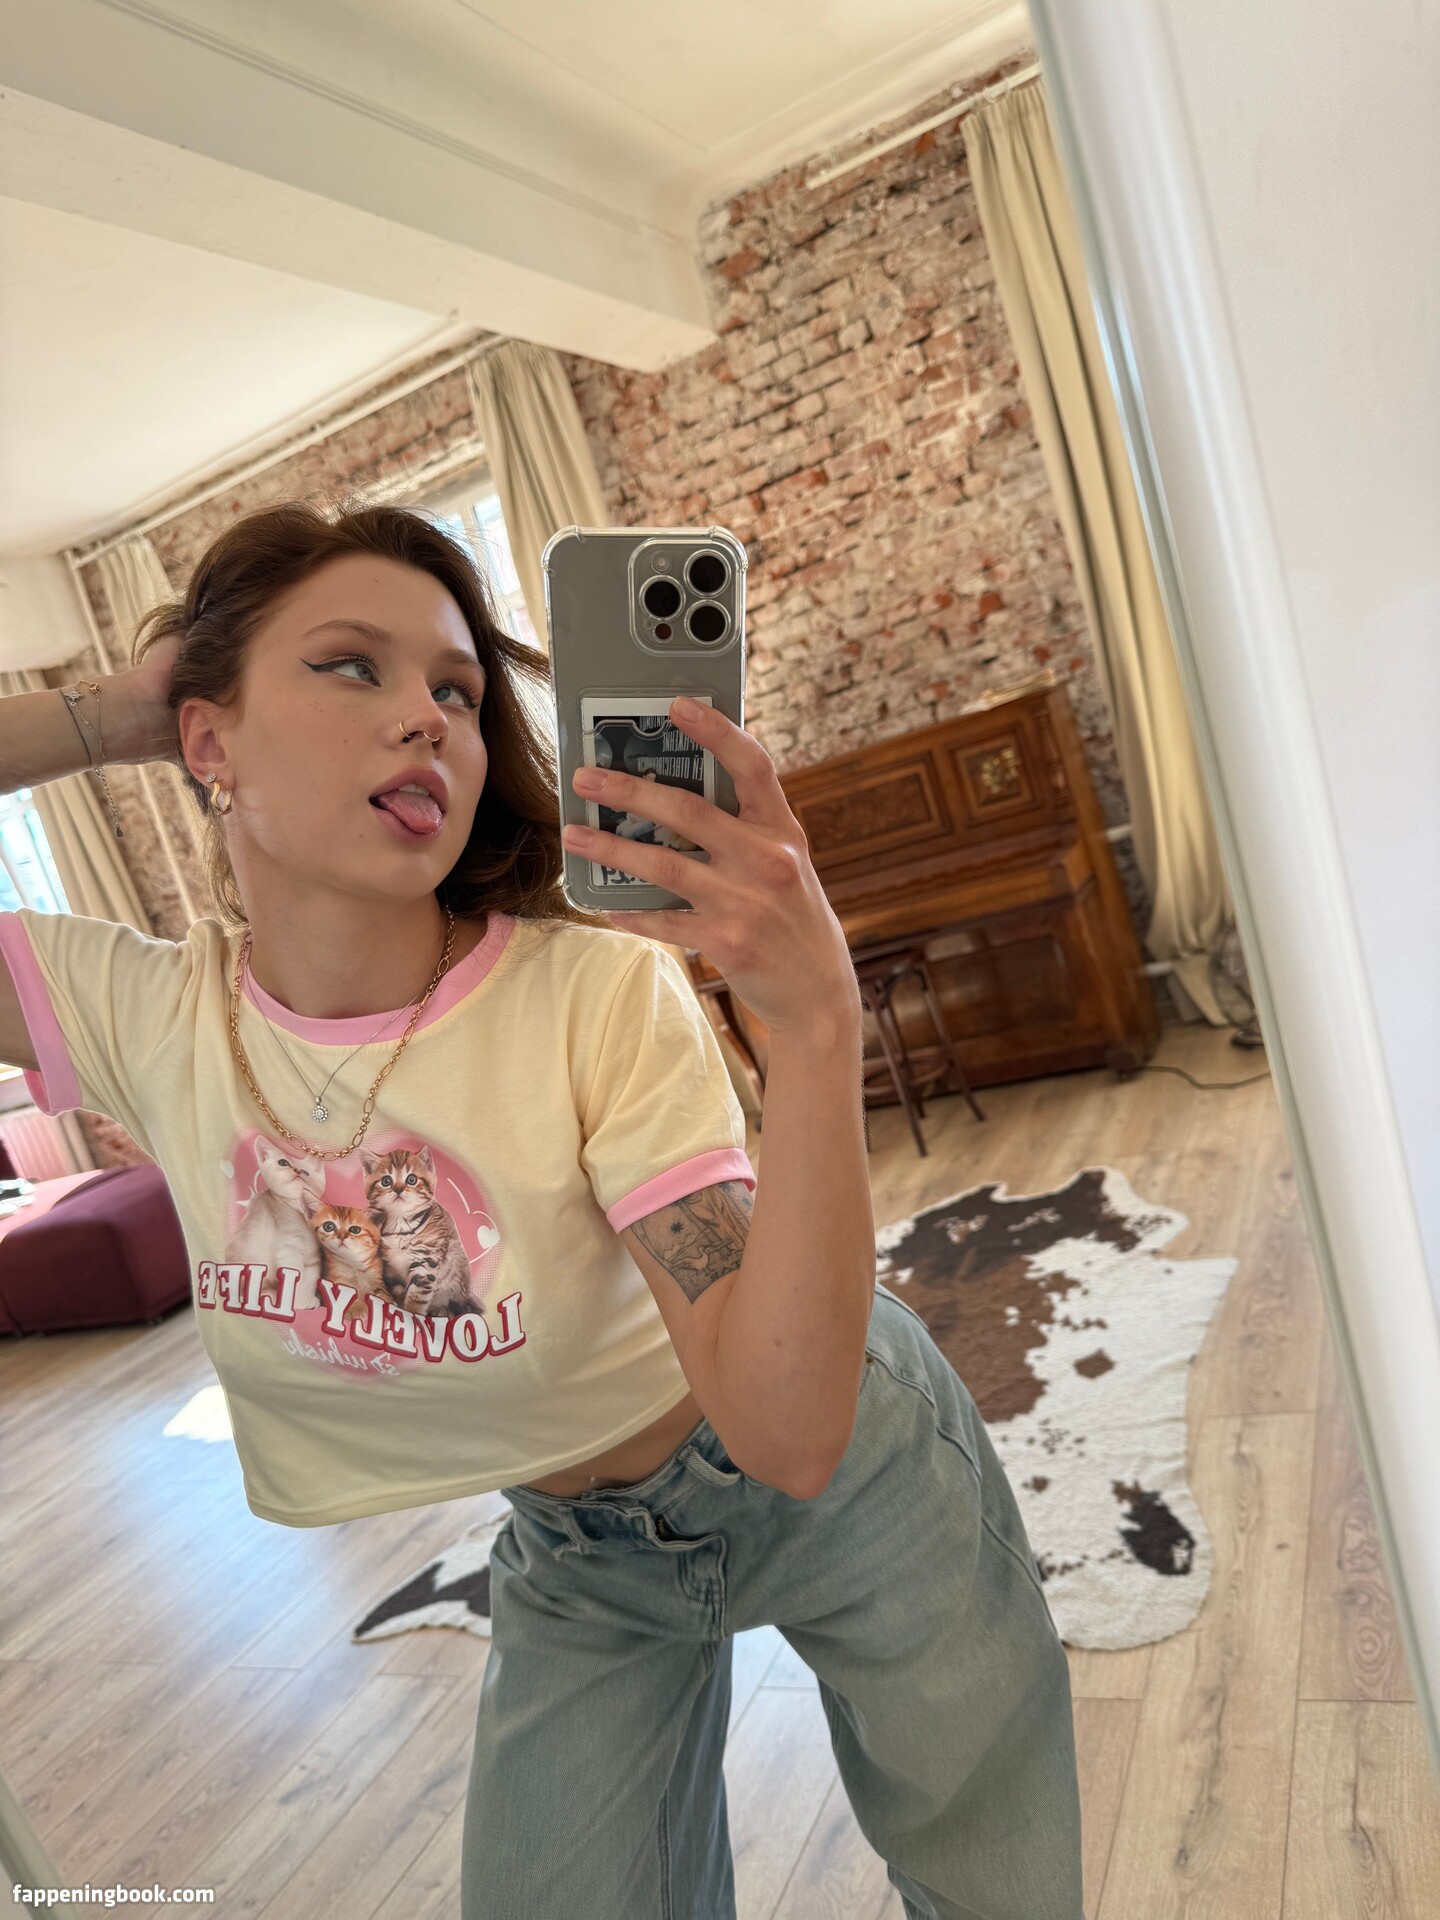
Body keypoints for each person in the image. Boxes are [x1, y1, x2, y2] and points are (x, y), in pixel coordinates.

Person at [0, 499, 1084, 1919]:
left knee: (995, 1886)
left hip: (848, 1471)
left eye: (457, 690)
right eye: (350, 666)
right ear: (209, 742)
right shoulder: (146, 1014)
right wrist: (117, 715)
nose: (427, 717)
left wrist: (818, 1026)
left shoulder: (592, 994)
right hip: (581, 1553)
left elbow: (790, 1432)